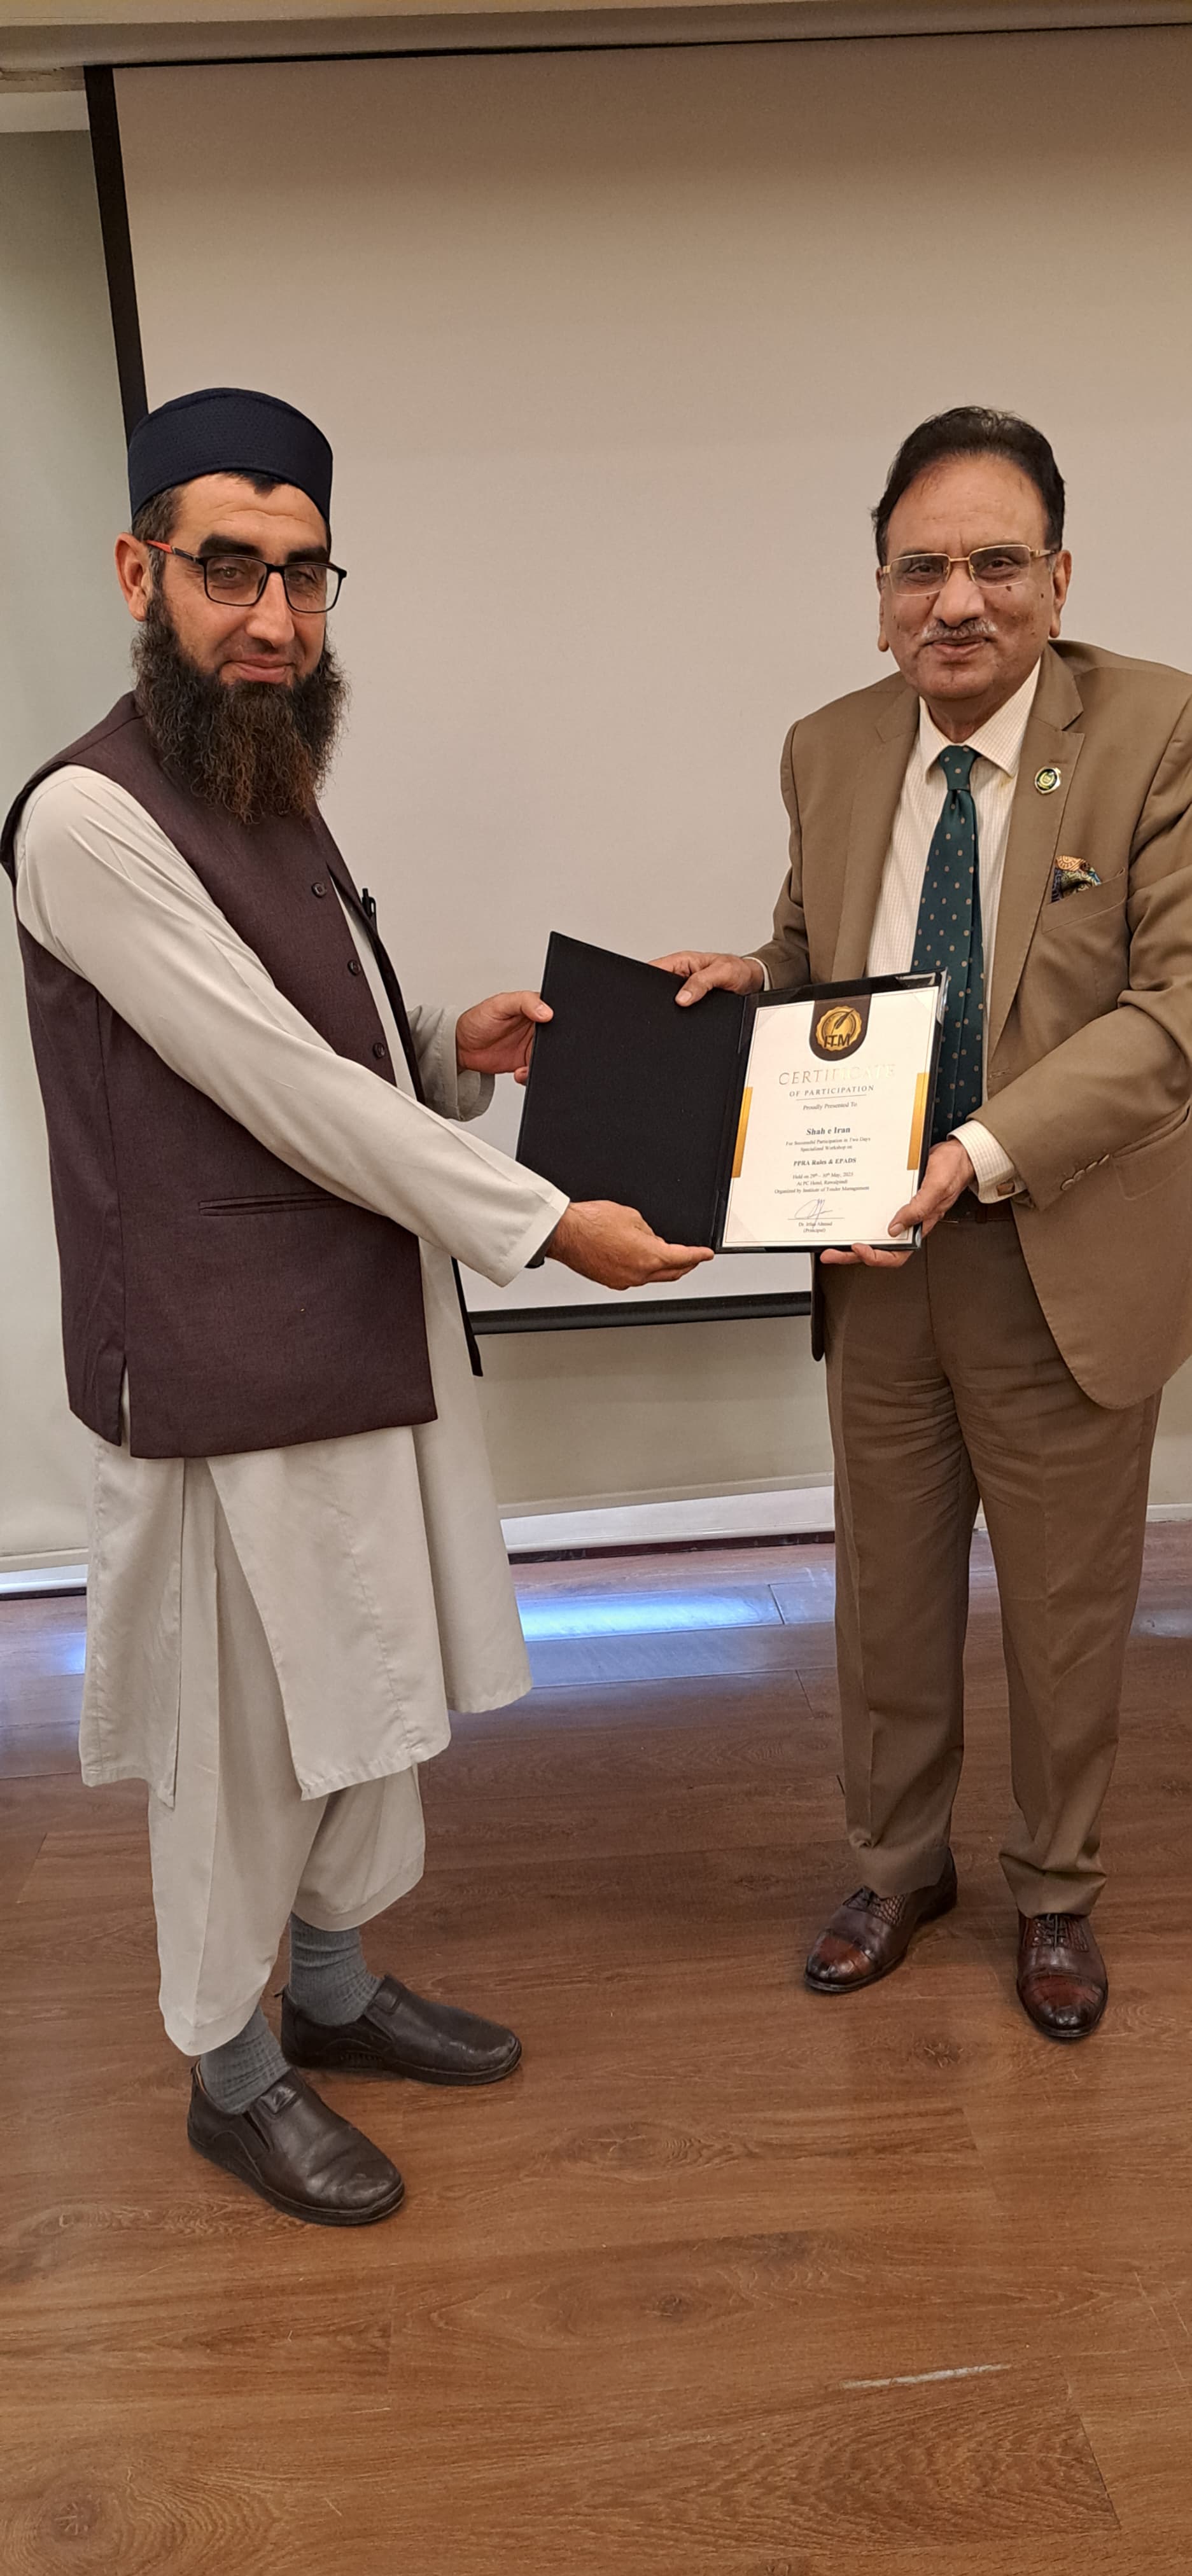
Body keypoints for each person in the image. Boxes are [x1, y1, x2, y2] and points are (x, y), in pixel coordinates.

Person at [4, 384, 710, 2225]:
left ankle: (329, 1988)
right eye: (230, 569)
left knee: (374, 1687)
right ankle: (229, 2073)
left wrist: (447, 1045)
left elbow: (329, 1046)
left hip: (357, 1325)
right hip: (220, 1366)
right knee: (244, 1737)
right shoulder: (83, 818)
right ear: (141, 572)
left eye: (305, 574)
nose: (274, 616)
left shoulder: (266, 773)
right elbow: (274, 1087)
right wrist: (546, 1221)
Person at [658, 404, 1192, 2041]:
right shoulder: (827, 746)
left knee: (1065, 1608)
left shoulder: (1156, 729)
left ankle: (1055, 1887)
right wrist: (752, 983)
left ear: (1057, 577)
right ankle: (897, 1869)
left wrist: (974, 1147)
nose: (955, 600)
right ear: (880, 588)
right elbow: (815, 953)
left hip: (1055, 1246)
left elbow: (1173, 1012)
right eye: (919, 568)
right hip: (875, 1253)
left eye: (994, 563)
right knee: (884, 1595)